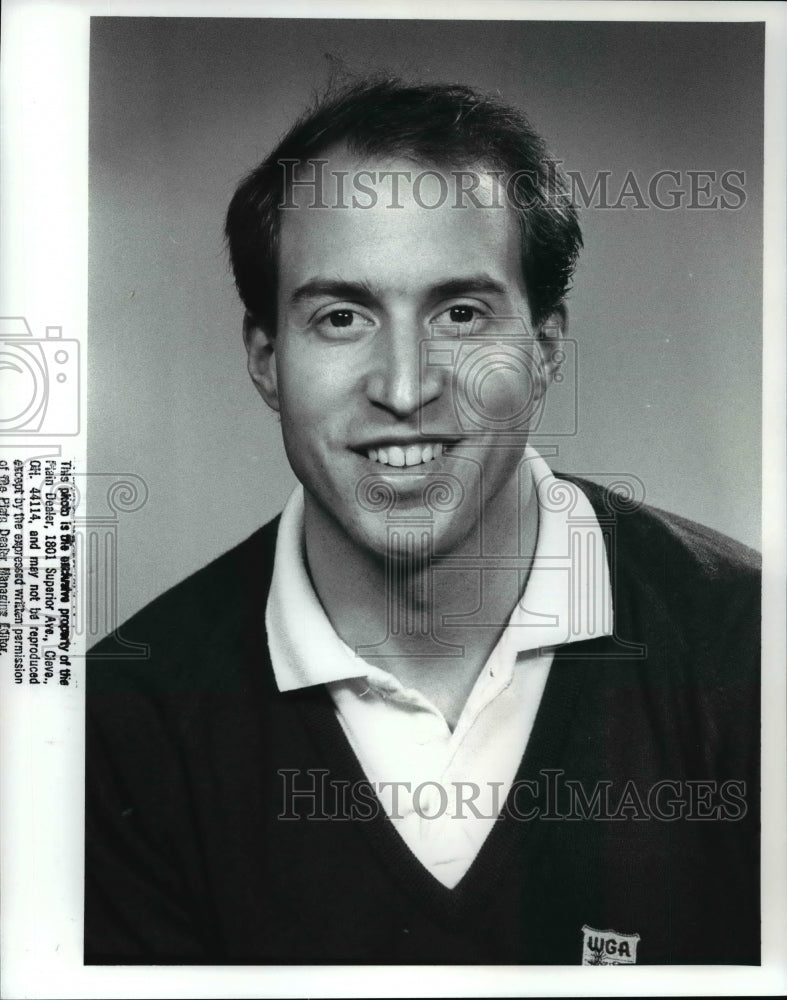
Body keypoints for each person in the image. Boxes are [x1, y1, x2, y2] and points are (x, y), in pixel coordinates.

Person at [85, 78, 760, 965]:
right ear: (265, 361)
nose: (403, 388)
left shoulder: (752, 650)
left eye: (460, 313)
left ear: (544, 351)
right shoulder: (124, 724)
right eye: (340, 317)